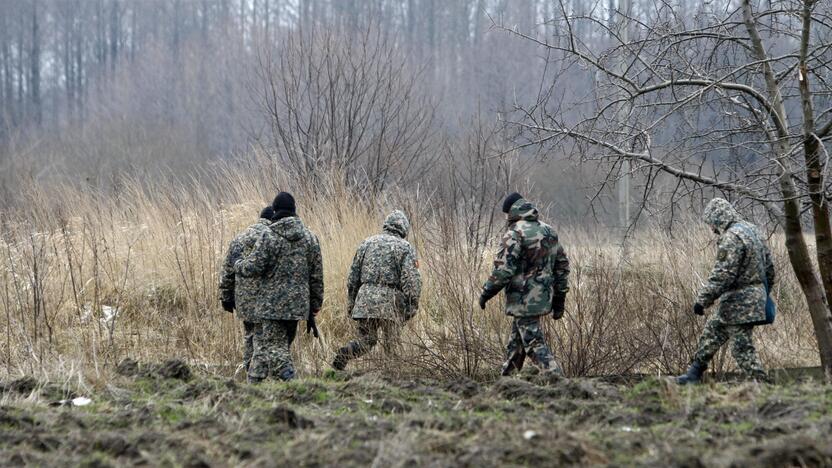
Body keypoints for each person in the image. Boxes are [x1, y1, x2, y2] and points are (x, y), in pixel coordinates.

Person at [677, 198, 775, 385]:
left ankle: (764, 385)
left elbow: (723, 274)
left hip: (740, 304)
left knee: (741, 348)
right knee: (712, 331)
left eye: (711, 223)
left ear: (717, 219)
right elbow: (770, 268)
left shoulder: (731, 238)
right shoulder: (752, 231)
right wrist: (761, 294)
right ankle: (693, 374)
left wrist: (702, 300)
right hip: (749, 300)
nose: (712, 228)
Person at [234, 192, 324, 382]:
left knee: (274, 348)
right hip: (298, 306)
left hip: (271, 306)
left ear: (275, 211)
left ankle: (291, 381)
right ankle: (254, 385)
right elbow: (316, 276)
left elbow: (254, 266)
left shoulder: (269, 235)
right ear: (294, 211)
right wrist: (315, 305)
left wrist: (239, 264)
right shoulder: (310, 238)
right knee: (272, 347)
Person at [479, 192, 570, 376]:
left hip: (523, 300)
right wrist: (559, 301)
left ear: (511, 212)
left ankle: (559, 383)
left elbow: (503, 271)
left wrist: (486, 293)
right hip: (543, 299)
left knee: (534, 345)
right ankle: (506, 384)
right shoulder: (549, 231)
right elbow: (562, 267)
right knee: (516, 347)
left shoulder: (514, 234)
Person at [332, 210, 421, 370]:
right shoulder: (405, 247)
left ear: (386, 225)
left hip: (365, 300)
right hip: (390, 304)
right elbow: (412, 282)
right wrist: (411, 307)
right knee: (391, 346)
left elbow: (353, 279)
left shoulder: (367, 243)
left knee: (367, 340)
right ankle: (391, 378)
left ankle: (345, 354)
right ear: (404, 229)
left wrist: (352, 304)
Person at [218, 206, 275, 377]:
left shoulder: (239, 238)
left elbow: (228, 270)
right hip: (266, 298)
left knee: (249, 335)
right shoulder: (272, 239)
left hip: (243, 298)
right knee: (262, 337)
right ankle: (258, 377)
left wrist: (226, 296)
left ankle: (248, 369)